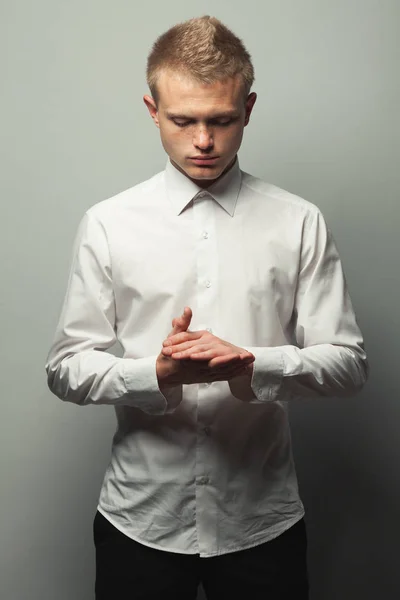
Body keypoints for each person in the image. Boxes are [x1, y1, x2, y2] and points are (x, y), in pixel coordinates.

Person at [46, 15, 368, 600]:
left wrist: (253, 363)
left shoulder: (299, 221)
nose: (202, 141)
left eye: (221, 120)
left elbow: (348, 364)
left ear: (248, 108)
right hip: (138, 521)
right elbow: (65, 367)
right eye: (182, 120)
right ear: (151, 110)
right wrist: (156, 374)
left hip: (261, 523)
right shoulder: (109, 224)